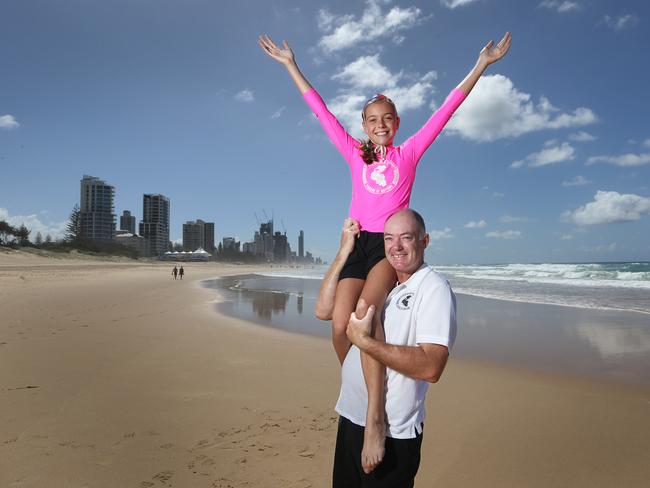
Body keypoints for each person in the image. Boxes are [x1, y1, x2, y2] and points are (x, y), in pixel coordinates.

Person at [259, 32, 510, 472]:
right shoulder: (354, 154)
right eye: (372, 118)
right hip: (357, 243)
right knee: (339, 328)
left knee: (363, 320)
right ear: (364, 125)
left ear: (396, 124)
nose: (380, 124)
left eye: (387, 118)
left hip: (385, 248)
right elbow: (320, 112)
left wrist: (481, 65)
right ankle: (361, 384)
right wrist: (289, 65)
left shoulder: (409, 154)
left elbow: (447, 109)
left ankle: (375, 415)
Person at [326, 209, 456, 487]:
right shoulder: (386, 286)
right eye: (388, 238)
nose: (396, 246)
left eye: (406, 238)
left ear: (425, 241)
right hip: (351, 417)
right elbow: (325, 310)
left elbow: (431, 366)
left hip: (392, 432)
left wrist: (367, 343)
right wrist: (344, 251)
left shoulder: (433, 288)